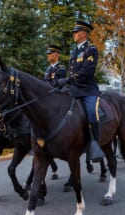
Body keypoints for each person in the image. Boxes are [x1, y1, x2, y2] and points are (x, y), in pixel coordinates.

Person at [56, 20, 104, 162]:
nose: (74, 35)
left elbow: (87, 71)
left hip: (87, 89)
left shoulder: (91, 49)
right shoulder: (75, 51)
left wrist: (69, 80)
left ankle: (95, 144)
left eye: (76, 32)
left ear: (83, 33)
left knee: (91, 112)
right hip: (73, 88)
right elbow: (72, 71)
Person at [44, 44, 66, 179]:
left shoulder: (61, 69)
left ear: (56, 54)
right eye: (48, 53)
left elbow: (59, 85)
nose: (48, 55)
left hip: (58, 97)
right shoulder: (47, 69)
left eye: (50, 53)